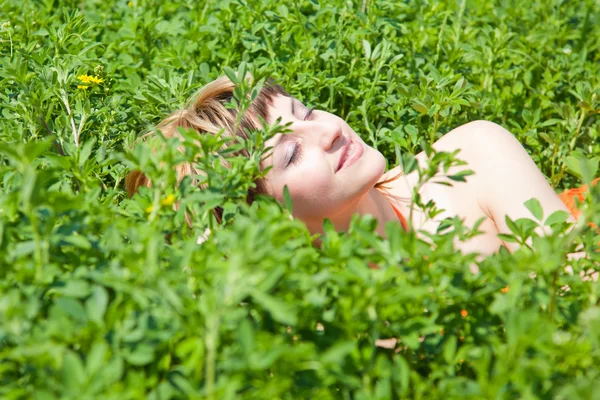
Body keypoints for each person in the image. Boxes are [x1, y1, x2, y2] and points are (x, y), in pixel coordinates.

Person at [126, 75, 598, 257]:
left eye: (305, 111)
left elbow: (581, 298)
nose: (329, 130)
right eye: (291, 153)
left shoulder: (475, 156)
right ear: (255, 221)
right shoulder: (305, 324)